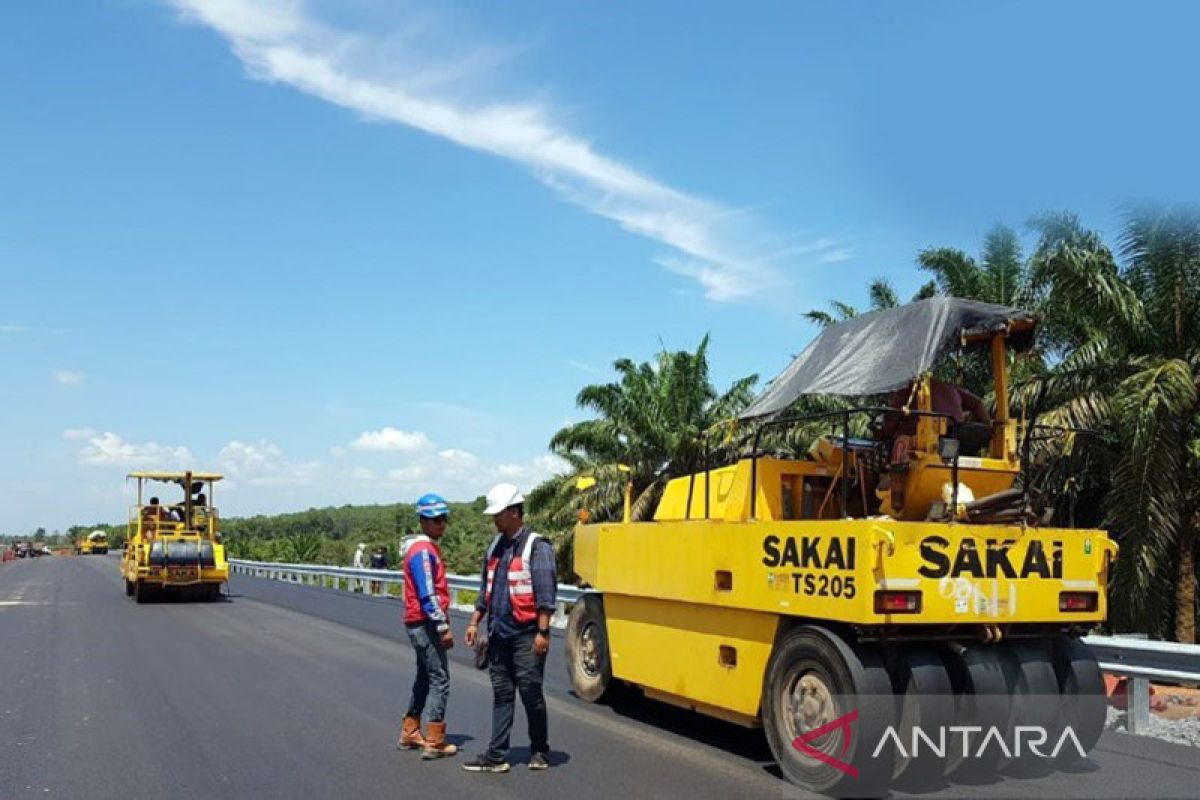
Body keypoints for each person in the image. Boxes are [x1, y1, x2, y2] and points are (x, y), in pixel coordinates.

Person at [462, 483, 556, 773]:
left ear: (514, 512)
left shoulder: (536, 547)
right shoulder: (495, 545)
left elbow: (545, 595)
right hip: (499, 634)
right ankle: (496, 755)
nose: (494, 519)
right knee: (502, 694)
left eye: (498, 513)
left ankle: (539, 749)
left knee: (531, 693)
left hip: (527, 635)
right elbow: (485, 590)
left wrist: (542, 634)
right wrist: (475, 621)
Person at [398, 493, 458, 759]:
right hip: (424, 623)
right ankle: (435, 740)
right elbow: (428, 594)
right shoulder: (423, 552)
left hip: (419, 622)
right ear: (422, 521)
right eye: (435, 520)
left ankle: (410, 731)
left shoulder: (426, 548)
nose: (441, 525)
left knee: (425, 676)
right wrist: (443, 627)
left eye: (443, 519)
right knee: (440, 679)